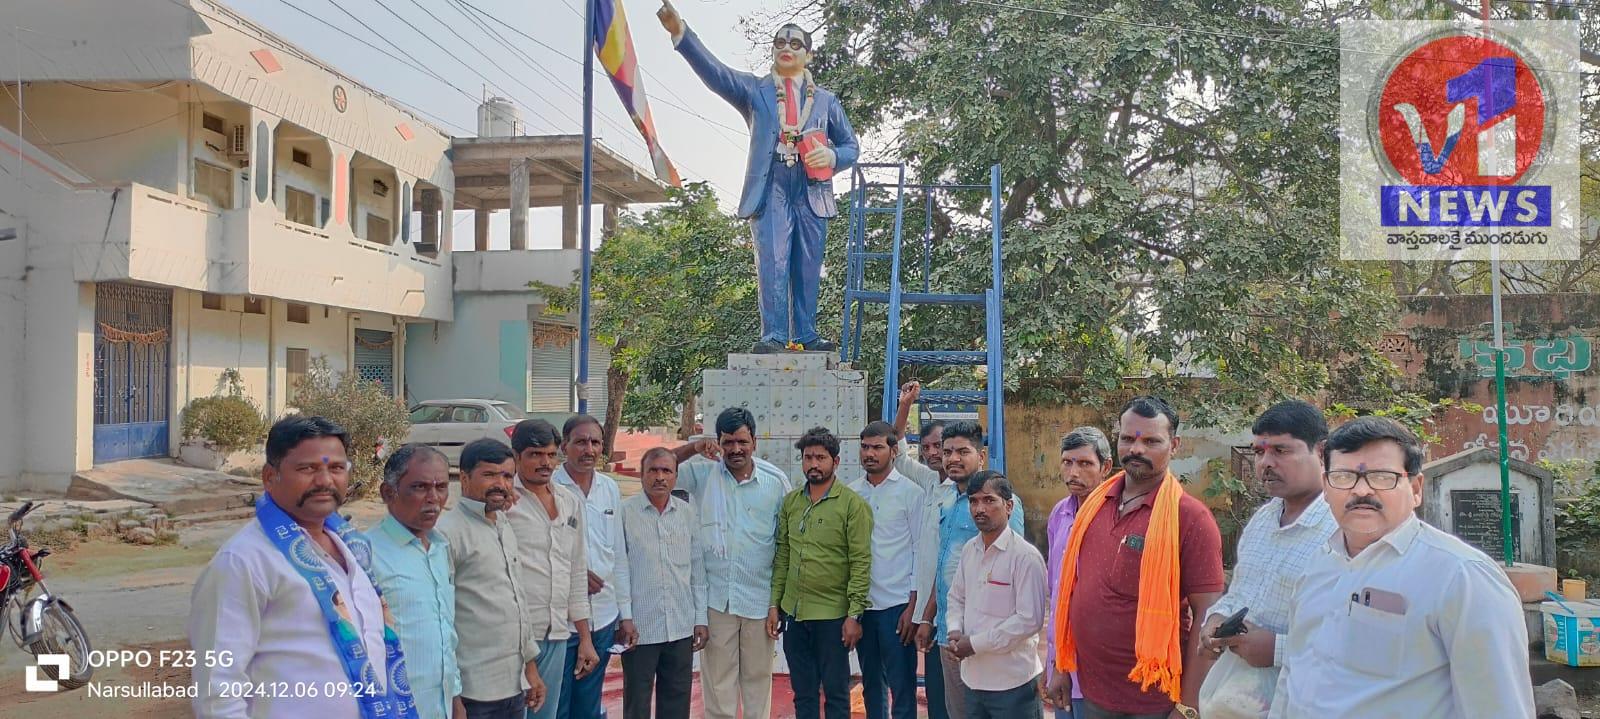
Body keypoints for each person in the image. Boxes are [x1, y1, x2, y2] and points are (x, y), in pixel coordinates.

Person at [1269, 416, 1534, 717]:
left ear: (1416, 488)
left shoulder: (1462, 577)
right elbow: (1293, 673)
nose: (1361, 490)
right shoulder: (1318, 565)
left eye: (1383, 477)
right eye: (1343, 476)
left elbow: (1498, 708)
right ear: (1326, 488)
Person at [657, 1, 859, 353]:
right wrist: (681, 34)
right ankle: (774, 334)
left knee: (808, 264)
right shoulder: (755, 91)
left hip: (812, 188)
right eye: (780, 42)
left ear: (808, 55)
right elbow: (717, 74)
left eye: (795, 43)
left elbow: (851, 147)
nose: (786, 48)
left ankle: (807, 334)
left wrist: (832, 156)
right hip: (772, 185)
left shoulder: (826, 101)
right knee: (773, 261)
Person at [189, 415, 417, 718]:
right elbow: (217, 692)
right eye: (307, 469)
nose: (324, 481)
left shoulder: (353, 547)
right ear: (270, 476)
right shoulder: (244, 560)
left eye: (336, 468)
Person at [1053, 396, 1224, 719]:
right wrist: (1061, 667)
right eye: (1128, 438)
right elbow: (1073, 589)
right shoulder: (1094, 505)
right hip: (1092, 690)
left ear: (1174, 445)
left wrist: (1189, 706)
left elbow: (1208, 615)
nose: (1136, 449)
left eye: (1151, 441)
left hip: (1155, 699)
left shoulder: (1190, 517)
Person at [1194, 401, 1337, 717]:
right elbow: (1241, 595)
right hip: (1238, 699)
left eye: (1281, 451)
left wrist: (1278, 649)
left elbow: (1359, 640)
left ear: (1321, 452)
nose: (1265, 463)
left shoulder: (1343, 530)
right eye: (1259, 452)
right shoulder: (1263, 520)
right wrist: (1216, 619)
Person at [670, 407, 791, 719]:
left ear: (754, 442)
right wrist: (694, 448)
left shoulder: (775, 483)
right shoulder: (703, 474)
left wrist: (776, 603)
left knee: (757, 683)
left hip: (759, 601)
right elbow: (659, 465)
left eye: (742, 442)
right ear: (719, 443)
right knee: (718, 685)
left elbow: (785, 545)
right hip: (717, 601)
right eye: (728, 442)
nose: (735, 449)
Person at [912, 419, 1025, 719]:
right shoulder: (948, 500)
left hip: (985, 639)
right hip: (949, 633)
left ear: (981, 456)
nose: (953, 459)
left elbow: (1011, 572)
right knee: (958, 712)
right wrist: (928, 617)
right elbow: (945, 567)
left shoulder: (1001, 505)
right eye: (948, 452)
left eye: (963, 452)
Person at [435, 438, 547, 719]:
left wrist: (531, 668)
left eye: (507, 476)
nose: (501, 484)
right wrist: (453, 695)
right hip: (474, 690)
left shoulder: (503, 523)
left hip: (514, 684)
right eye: (489, 475)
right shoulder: (447, 533)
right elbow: (441, 619)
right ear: (464, 478)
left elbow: (518, 602)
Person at [771, 427, 874, 719]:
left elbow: (860, 561)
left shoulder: (853, 505)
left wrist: (854, 615)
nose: (813, 464)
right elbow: (783, 556)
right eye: (808, 458)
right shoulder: (792, 502)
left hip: (832, 616)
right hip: (794, 614)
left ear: (835, 462)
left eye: (821, 458)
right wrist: (774, 604)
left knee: (836, 694)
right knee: (803, 694)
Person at [506, 419, 599, 719]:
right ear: (516, 456)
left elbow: (576, 570)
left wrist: (585, 638)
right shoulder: (504, 503)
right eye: (535, 454)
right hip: (514, 638)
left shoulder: (569, 502)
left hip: (557, 632)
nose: (545, 463)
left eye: (550, 454)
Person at [367, 444, 463, 719]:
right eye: (419, 487)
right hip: (397, 707)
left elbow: (444, 633)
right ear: (388, 493)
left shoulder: (439, 548)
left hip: (441, 705)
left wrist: (455, 698)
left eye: (441, 487)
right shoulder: (366, 554)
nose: (434, 499)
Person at [845, 421, 931, 719]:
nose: (870, 453)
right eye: (865, 447)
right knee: (871, 684)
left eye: (877, 447)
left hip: (897, 606)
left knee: (902, 685)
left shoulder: (912, 493)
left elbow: (920, 551)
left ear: (893, 451)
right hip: (863, 606)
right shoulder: (851, 494)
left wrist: (913, 605)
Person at [946, 471, 1048, 719]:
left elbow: (1029, 620)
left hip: (1013, 684)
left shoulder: (1025, 557)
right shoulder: (970, 550)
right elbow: (956, 597)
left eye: (989, 500)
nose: (980, 509)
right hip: (973, 680)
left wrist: (975, 644)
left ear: (1009, 506)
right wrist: (955, 631)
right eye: (974, 501)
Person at [617, 447, 709, 719]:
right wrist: (625, 618)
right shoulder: (625, 513)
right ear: (642, 474)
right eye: (653, 470)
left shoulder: (687, 514)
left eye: (666, 471)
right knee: (637, 702)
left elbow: (697, 570)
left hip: (680, 625)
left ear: (675, 476)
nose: (660, 477)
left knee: (677, 701)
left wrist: (700, 618)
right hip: (639, 628)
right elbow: (619, 569)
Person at [553, 415, 633, 719]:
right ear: (564, 446)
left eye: (595, 442)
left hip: (603, 617)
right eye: (581, 442)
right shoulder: (550, 488)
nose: (589, 449)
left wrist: (625, 615)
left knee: (588, 706)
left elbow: (618, 555)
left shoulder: (609, 488)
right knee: (556, 706)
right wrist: (574, 576)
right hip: (561, 621)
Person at [890, 381, 950, 719]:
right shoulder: (929, 481)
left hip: (952, 607)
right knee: (938, 691)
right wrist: (905, 405)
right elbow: (897, 448)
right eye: (926, 447)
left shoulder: (970, 492)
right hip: (928, 605)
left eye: (938, 446)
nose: (932, 453)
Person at [1044, 427, 1113, 719]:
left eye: (1085, 463)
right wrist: (1052, 662)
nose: (1073, 472)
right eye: (1067, 462)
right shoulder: (1059, 513)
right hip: (1060, 661)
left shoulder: (1115, 518)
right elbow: (1056, 590)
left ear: (1106, 467)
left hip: (1098, 667)